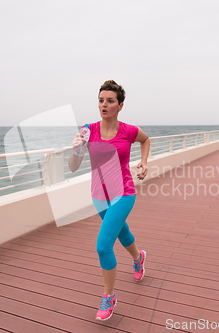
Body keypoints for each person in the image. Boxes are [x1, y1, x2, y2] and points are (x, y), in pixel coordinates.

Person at [68, 80, 150, 321]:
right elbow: (73, 168)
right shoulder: (87, 130)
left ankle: (109, 296)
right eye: (101, 100)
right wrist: (76, 150)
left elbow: (146, 140)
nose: (104, 105)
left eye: (110, 101)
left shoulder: (129, 131)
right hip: (99, 196)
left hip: (124, 192)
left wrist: (144, 163)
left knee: (104, 245)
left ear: (120, 105)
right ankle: (138, 258)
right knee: (121, 231)